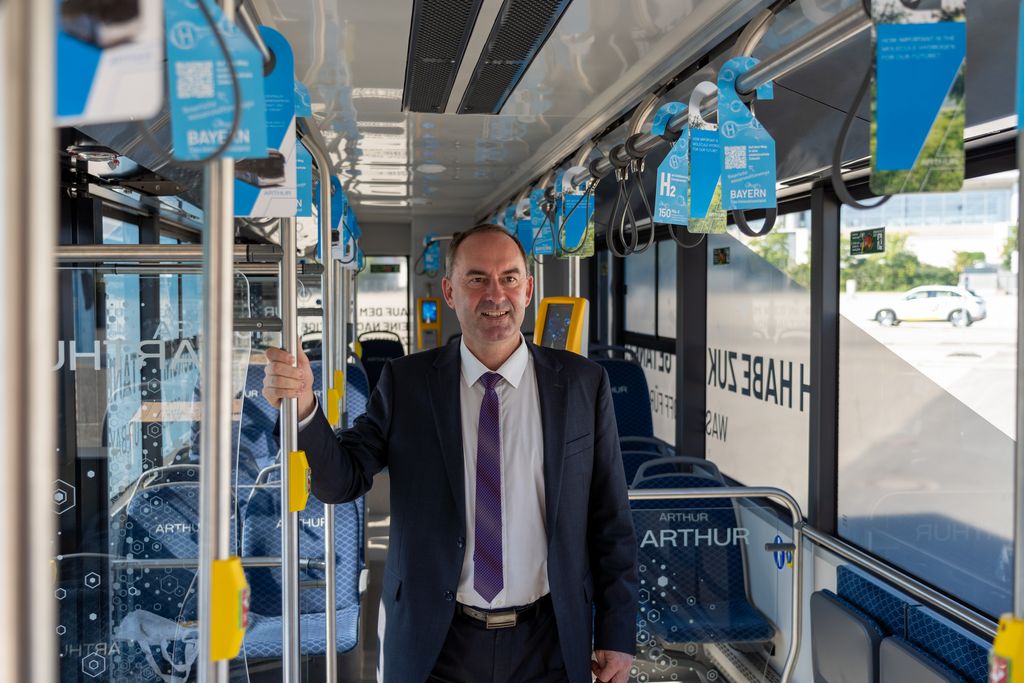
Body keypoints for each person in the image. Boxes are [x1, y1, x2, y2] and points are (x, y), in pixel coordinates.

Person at [262, 224, 638, 683]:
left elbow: (610, 518)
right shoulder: (407, 383)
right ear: (448, 291)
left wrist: (617, 632)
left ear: (529, 289)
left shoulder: (582, 383)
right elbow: (343, 480)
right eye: (477, 278)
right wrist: (303, 407)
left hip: (551, 639)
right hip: (437, 641)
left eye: (510, 278)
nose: (495, 294)